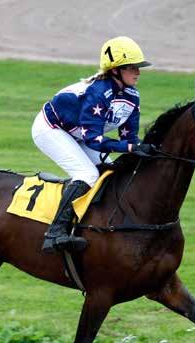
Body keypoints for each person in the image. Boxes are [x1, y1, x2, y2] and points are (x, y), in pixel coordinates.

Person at [32, 36, 155, 254]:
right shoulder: (97, 93)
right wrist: (128, 149)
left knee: (110, 172)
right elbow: (93, 139)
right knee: (87, 174)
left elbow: (129, 139)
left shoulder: (132, 97)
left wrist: (143, 149)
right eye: (132, 67)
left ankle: (96, 223)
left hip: (79, 133)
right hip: (51, 129)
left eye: (139, 66)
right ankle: (55, 234)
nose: (138, 71)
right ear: (115, 69)